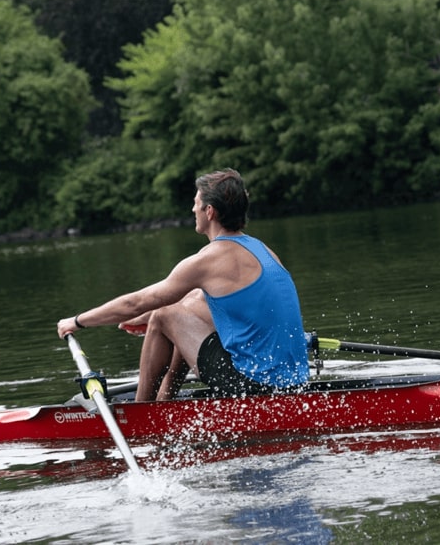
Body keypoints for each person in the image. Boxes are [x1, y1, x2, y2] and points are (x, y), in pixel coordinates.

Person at [57, 168, 309, 401]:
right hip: (292, 385)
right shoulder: (261, 249)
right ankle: (165, 400)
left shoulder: (208, 259)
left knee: (164, 315)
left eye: (196, 204)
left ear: (210, 211)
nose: (192, 209)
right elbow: (197, 299)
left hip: (253, 386)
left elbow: (135, 302)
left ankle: (142, 413)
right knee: (174, 310)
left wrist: (77, 321)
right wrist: (146, 315)